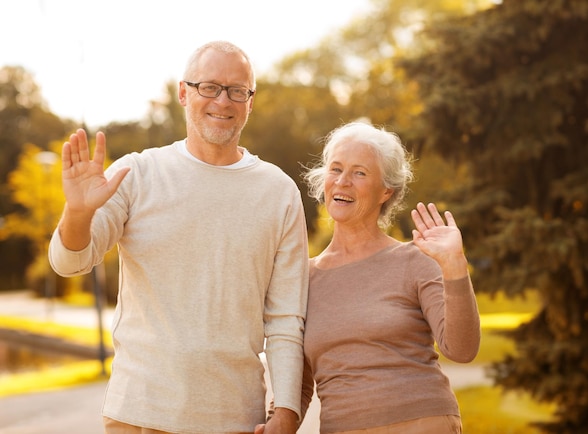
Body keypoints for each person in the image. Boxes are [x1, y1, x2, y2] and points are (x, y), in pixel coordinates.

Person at [48, 41, 309, 434]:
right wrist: (79, 211)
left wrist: (286, 412)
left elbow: (286, 318)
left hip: (236, 417)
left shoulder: (279, 191)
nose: (223, 101)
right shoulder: (136, 174)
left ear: (250, 102)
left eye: (238, 90)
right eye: (210, 86)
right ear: (183, 93)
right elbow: (69, 262)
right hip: (139, 412)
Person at [260, 121, 480, 433]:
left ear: (386, 190)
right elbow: (299, 381)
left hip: (421, 424)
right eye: (335, 169)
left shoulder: (414, 260)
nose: (343, 182)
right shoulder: (303, 277)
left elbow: (462, 349)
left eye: (359, 173)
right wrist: (277, 422)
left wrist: (455, 267)